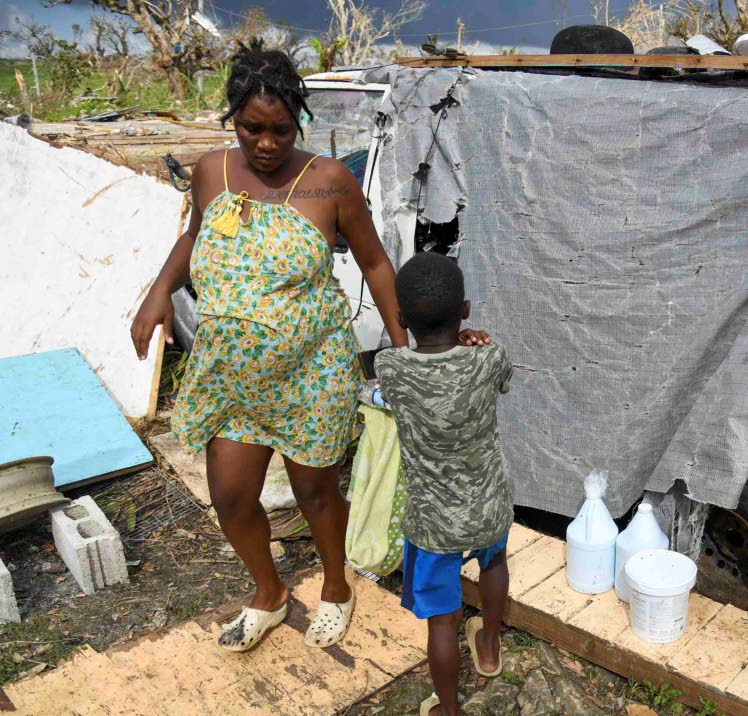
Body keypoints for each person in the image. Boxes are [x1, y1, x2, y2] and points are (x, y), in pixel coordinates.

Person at [129, 43, 489, 653]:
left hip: (311, 373)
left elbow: (376, 263)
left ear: (299, 122)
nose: (265, 143)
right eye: (251, 128)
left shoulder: (328, 182)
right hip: (230, 374)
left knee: (316, 493)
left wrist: (401, 354)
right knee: (231, 495)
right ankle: (268, 593)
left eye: (280, 129)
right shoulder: (212, 171)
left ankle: (335, 588)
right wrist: (159, 291)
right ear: (232, 119)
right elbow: (192, 236)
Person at [374, 253, 513, 716]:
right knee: (494, 565)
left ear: (402, 320)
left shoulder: (390, 366)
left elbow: (393, 380)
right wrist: (473, 340)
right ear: (467, 311)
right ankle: (491, 648)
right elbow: (498, 373)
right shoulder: (489, 357)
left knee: (443, 621)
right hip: (489, 506)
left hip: (434, 525)